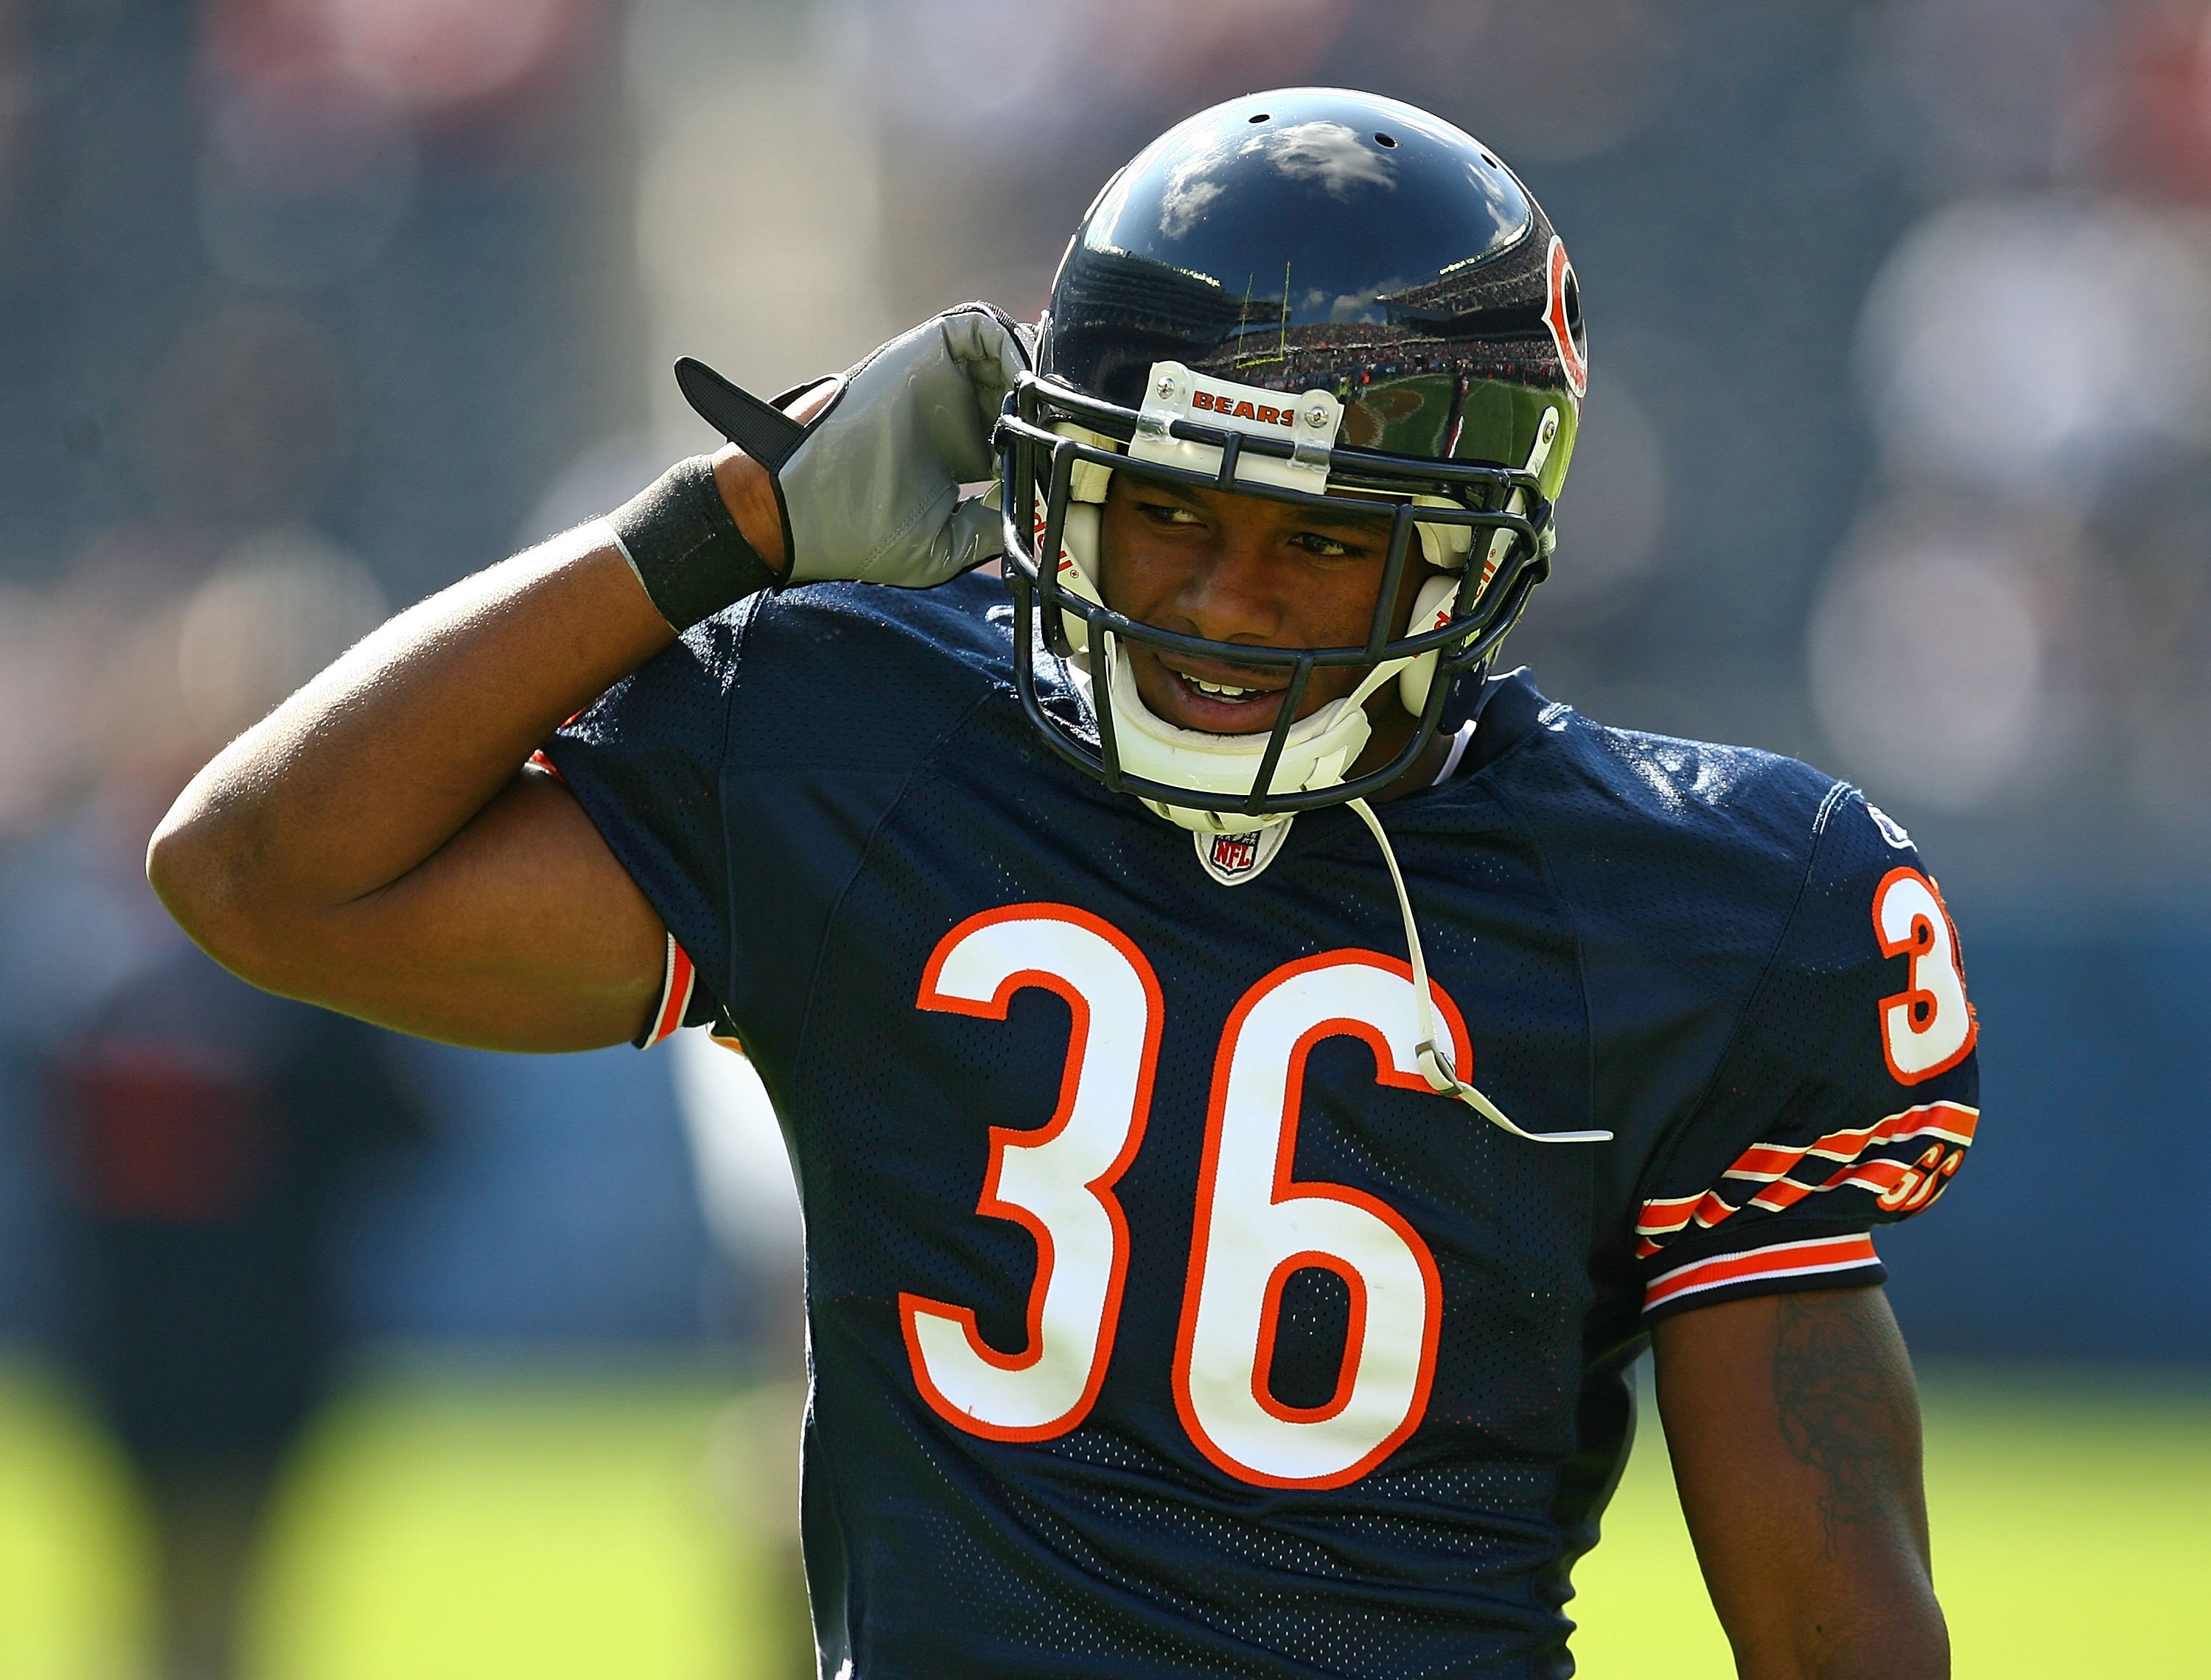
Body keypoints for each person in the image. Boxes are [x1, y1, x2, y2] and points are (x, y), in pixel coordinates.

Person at [146, 89, 1974, 1679]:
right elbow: (259, 873)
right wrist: (726, 521)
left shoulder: (1699, 897)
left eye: (1324, 543)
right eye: (1169, 508)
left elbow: (1833, 1622)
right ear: (1055, 487)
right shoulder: (879, 741)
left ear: (1464, 558)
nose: (1223, 599)